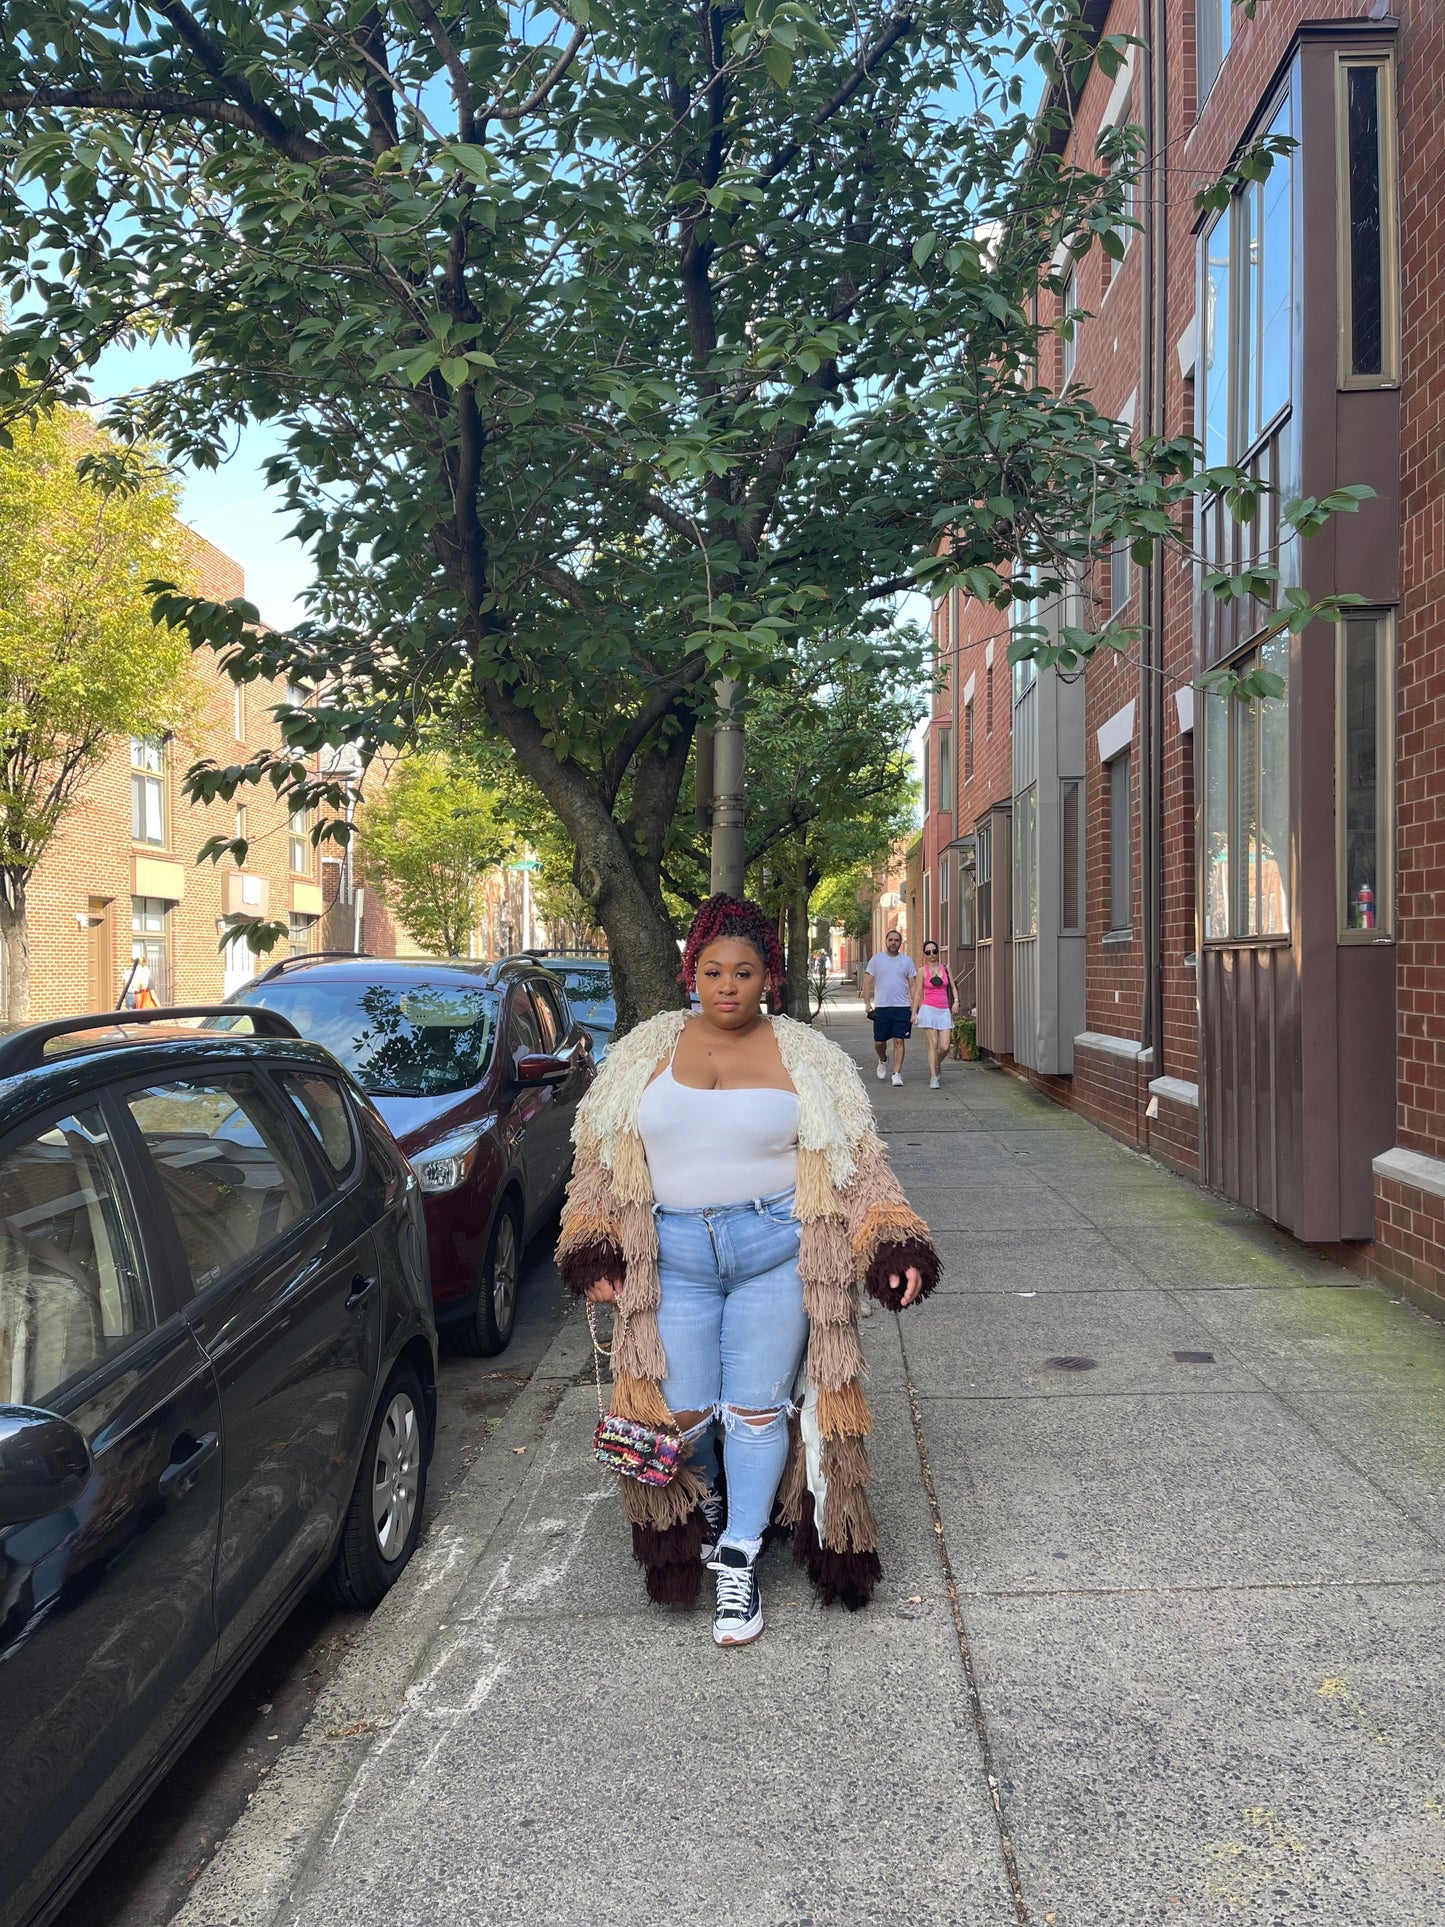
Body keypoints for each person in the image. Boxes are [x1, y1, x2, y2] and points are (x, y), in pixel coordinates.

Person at [556, 894, 939, 1647]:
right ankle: (704, 1506)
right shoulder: (643, 1052)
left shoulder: (808, 1056)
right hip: (673, 1258)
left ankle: (739, 1551)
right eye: (711, 970)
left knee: (757, 1408)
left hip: (775, 1255)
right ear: (689, 972)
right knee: (689, 1412)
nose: (726, 985)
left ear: (769, 977)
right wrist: (591, 1243)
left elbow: (857, 1161)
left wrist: (892, 1242)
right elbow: (596, 1160)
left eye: (744, 971)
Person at [861, 926, 916, 1085]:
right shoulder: (876, 960)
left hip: (902, 1007)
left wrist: (914, 1006)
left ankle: (896, 1074)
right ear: (886, 941)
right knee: (879, 1042)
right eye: (891, 940)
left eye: (896, 940)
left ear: (900, 943)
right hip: (882, 1007)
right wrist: (867, 1003)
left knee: (899, 1041)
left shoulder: (907, 961)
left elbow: (913, 985)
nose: (893, 943)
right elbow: (867, 981)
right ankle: (883, 1059)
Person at [912, 940, 959, 1089]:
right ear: (924, 955)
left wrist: (956, 1001)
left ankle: (936, 1063)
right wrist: (914, 1013)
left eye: (934, 951)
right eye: (928, 952)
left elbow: (952, 985)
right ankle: (933, 1077)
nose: (932, 954)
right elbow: (918, 993)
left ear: (938, 952)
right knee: (934, 1044)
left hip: (944, 1010)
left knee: (945, 1046)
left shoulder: (946, 968)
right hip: (928, 1010)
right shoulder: (921, 971)